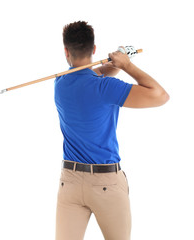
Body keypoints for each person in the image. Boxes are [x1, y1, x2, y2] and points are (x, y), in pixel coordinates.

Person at [54, 21, 169, 240]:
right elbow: (160, 96)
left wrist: (118, 59)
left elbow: (98, 72)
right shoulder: (106, 87)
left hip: (69, 181)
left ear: (66, 51)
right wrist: (127, 65)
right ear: (94, 49)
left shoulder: (60, 82)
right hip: (105, 182)